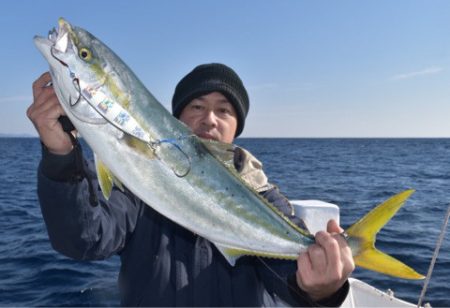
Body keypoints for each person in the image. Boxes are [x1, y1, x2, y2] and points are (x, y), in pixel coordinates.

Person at [27, 63, 354, 306]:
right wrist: (61, 156)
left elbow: (287, 278)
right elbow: (85, 239)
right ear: (174, 120)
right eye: (196, 106)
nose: (209, 119)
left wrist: (321, 289)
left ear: (236, 128)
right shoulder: (139, 182)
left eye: (223, 110)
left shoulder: (262, 196)